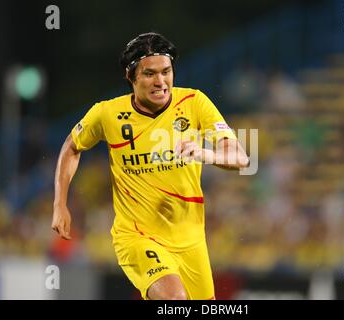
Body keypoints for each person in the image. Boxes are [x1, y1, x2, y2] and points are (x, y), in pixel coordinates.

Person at [51, 32, 249, 300]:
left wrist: (206, 154)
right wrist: (60, 204)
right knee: (174, 299)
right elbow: (71, 146)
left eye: (166, 72)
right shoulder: (107, 114)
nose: (160, 81)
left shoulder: (194, 103)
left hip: (190, 240)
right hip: (136, 236)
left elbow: (241, 158)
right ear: (131, 77)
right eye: (149, 74)